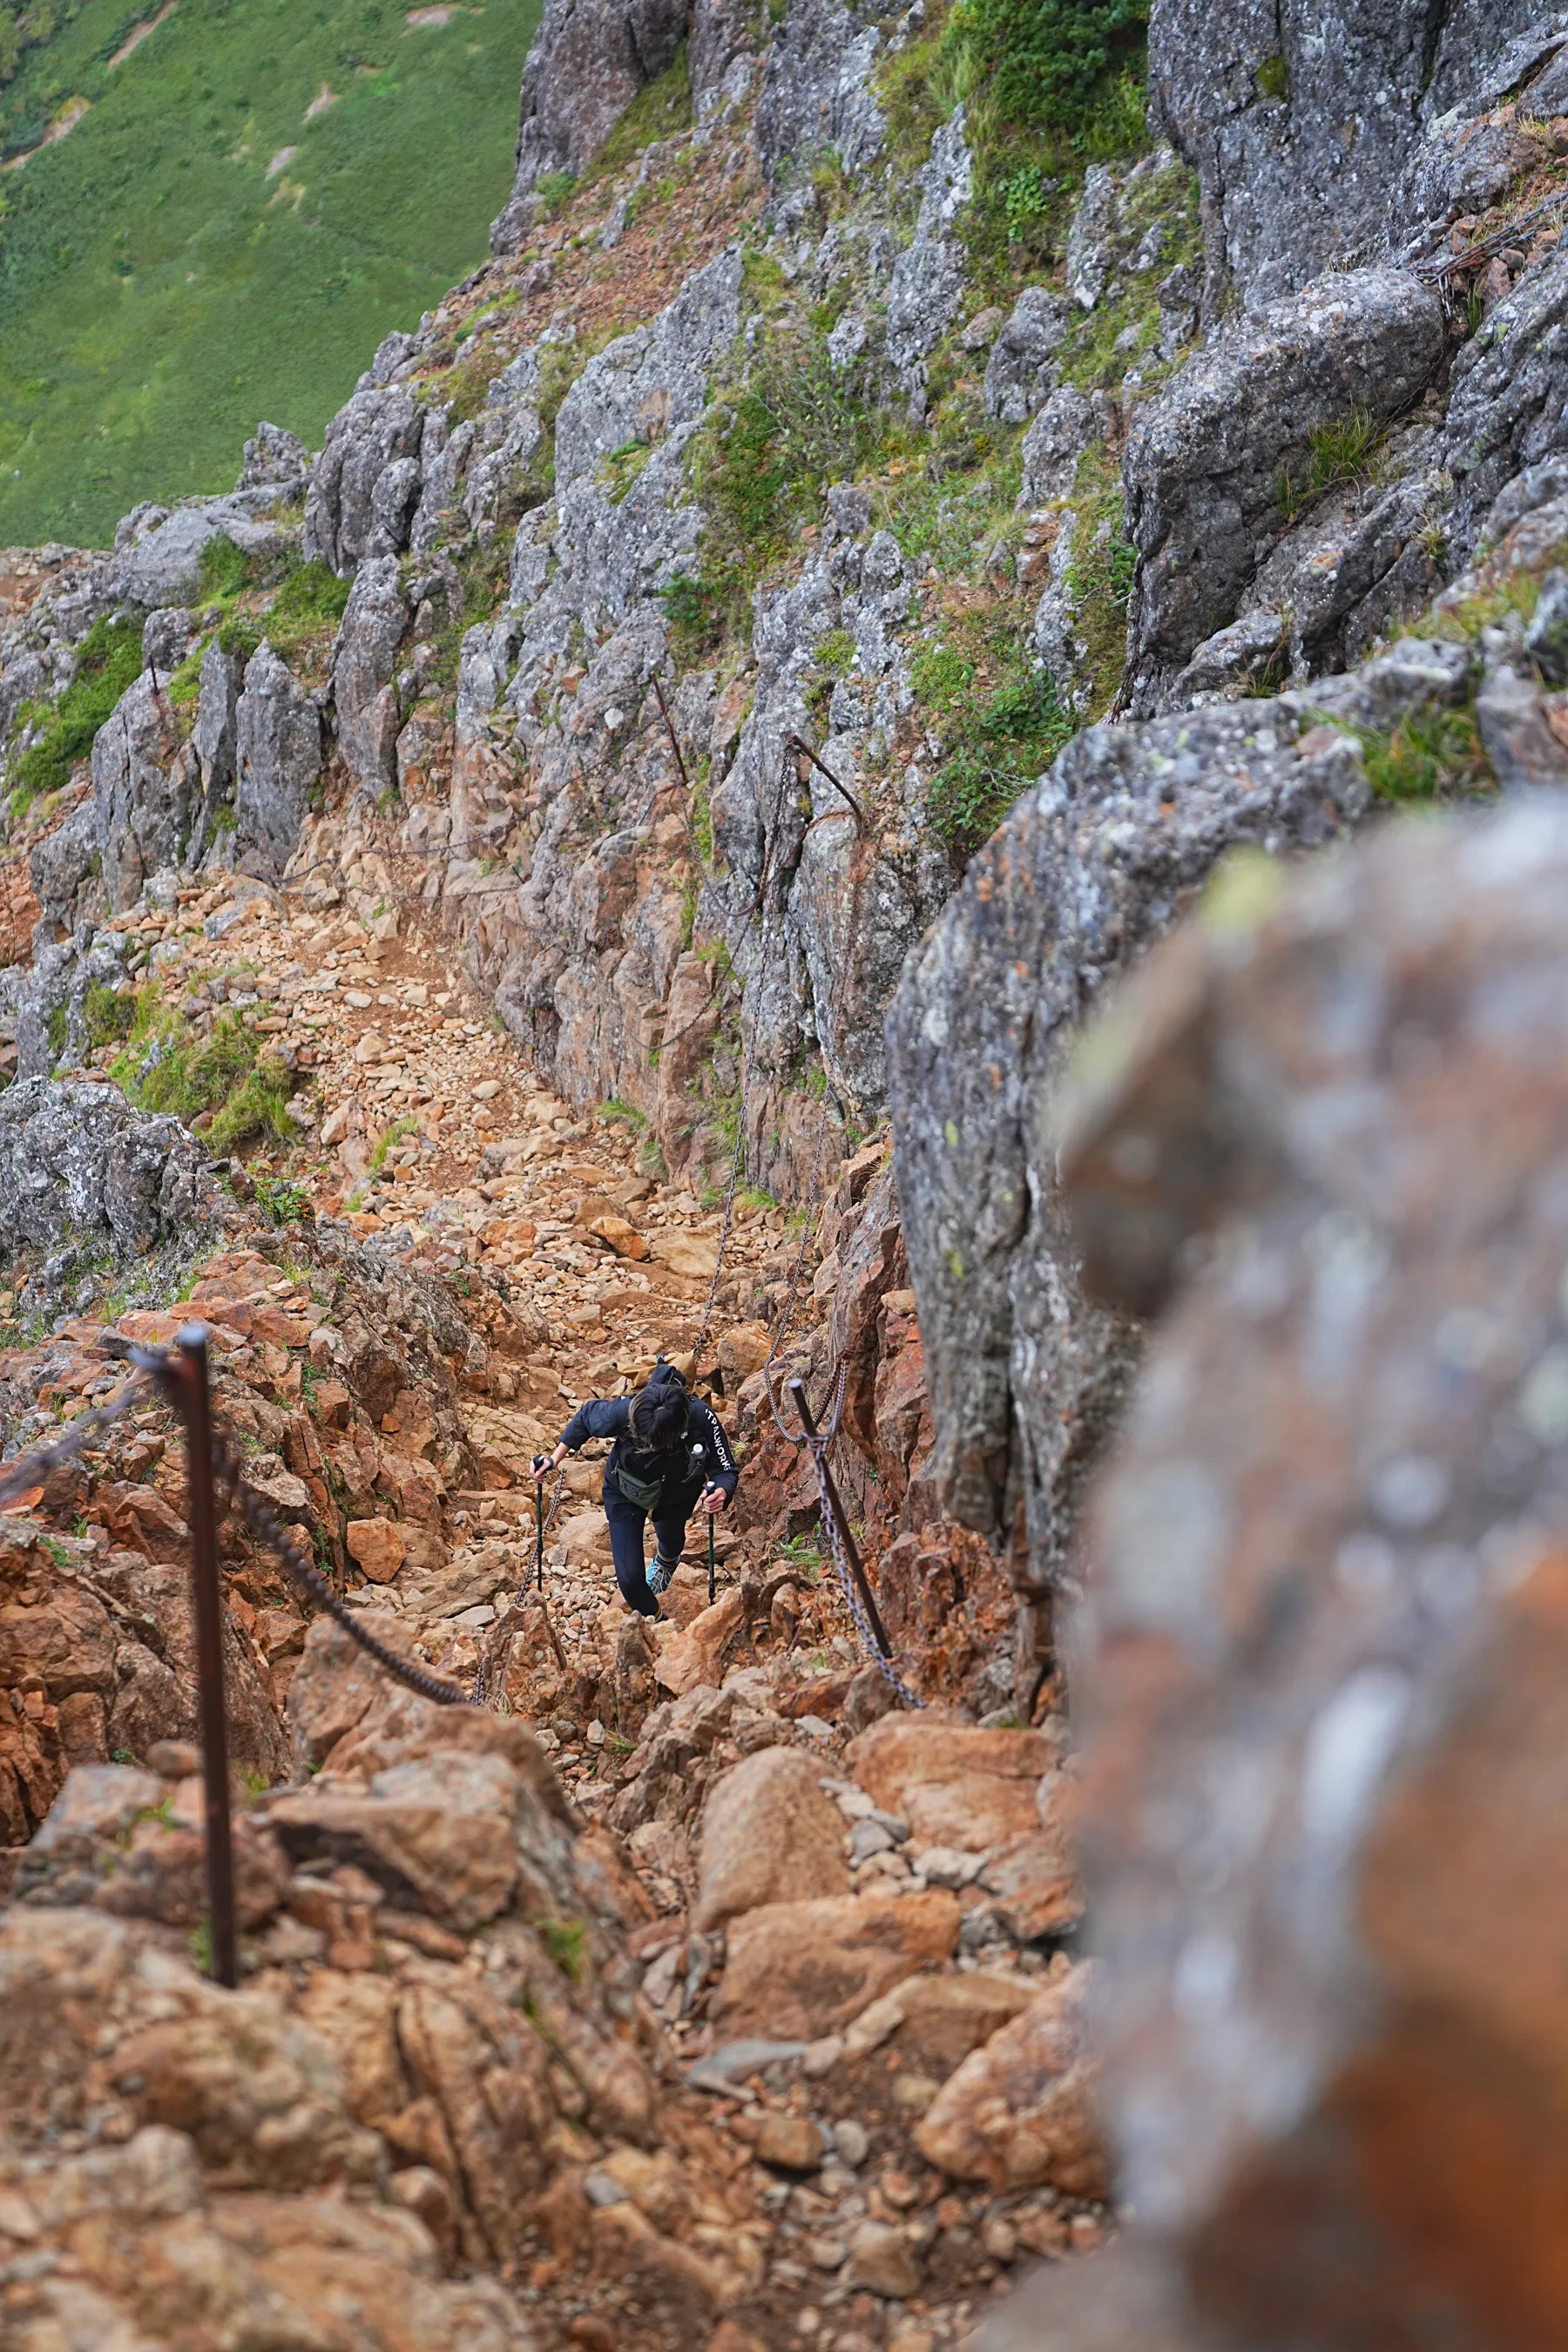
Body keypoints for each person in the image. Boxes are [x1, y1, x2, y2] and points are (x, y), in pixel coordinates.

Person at [532, 1359, 737, 1618]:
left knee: (672, 1539)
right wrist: (553, 1458)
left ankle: (666, 1561)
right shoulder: (626, 1411)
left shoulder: (701, 1419)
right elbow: (585, 1417)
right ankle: (659, 1622)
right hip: (624, 1491)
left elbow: (725, 1469)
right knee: (629, 1580)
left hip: (677, 1493)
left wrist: (721, 1492)